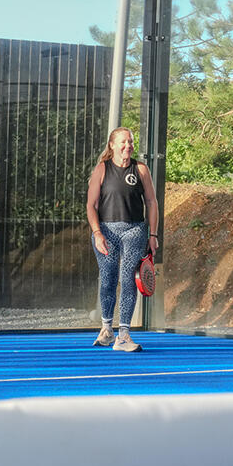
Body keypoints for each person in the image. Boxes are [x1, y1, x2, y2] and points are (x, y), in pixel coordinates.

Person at [85, 127, 159, 352]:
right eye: (124, 142)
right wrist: (97, 233)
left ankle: (124, 334)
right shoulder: (102, 169)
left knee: (128, 279)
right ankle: (107, 329)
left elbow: (152, 202)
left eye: (131, 142)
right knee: (108, 279)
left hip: (134, 230)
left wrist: (153, 235)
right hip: (106, 232)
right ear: (112, 146)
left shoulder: (141, 169)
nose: (128, 145)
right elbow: (91, 205)